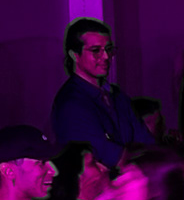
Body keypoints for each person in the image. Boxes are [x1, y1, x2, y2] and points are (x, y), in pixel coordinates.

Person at [51, 20, 152, 168]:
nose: (105, 57)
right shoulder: (71, 104)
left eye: (108, 49)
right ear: (74, 55)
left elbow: (147, 144)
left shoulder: (117, 96)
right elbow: (110, 157)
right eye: (96, 50)